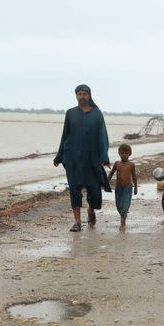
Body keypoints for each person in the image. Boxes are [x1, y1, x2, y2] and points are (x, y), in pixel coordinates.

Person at [54, 84, 110, 232]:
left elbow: (102, 136)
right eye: (79, 94)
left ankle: (91, 210)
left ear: (89, 95)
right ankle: (77, 222)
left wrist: (104, 156)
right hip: (72, 158)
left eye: (85, 93)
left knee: (94, 189)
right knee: (74, 189)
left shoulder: (97, 114)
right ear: (76, 96)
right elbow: (65, 135)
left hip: (92, 159)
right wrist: (59, 156)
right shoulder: (70, 113)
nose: (82, 96)